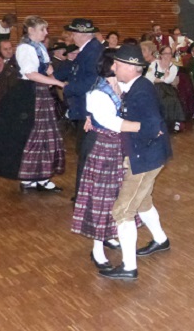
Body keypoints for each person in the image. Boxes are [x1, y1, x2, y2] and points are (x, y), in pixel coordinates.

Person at [98, 44, 173, 281]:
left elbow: (152, 127)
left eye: (117, 64)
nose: (113, 67)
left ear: (130, 67)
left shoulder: (140, 91)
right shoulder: (135, 86)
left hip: (145, 157)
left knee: (122, 210)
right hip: (147, 154)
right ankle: (161, 240)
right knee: (142, 201)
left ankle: (129, 267)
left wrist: (123, 127)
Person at [0, 15, 66, 192]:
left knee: (44, 137)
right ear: (31, 30)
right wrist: (58, 83)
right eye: (42, 29)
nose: (46, 33)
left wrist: (55, 78)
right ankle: (30, 178)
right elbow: (30, 73)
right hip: (29, 94)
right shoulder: (25, 48)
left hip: (40, 93)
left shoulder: (38, 46)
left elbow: (47, 69)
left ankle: (41, 177)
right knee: (31, 136)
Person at [72, 53, 140, 270]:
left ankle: (109, 234)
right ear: (112, 66)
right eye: (121, 63)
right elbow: (111, 122)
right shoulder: (98, 93)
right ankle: (97, 248)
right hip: (102, 147)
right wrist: (141, 126)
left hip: (117, 146)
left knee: (116, 194)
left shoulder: (120, 87)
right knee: (100, 197)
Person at [61, 18, 105, 201]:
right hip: (85, 107)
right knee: (85, 151)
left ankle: (85, 194)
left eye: (72, 33)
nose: (71, 37)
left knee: (88, 152)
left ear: (79, 35)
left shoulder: (93, 51)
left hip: (90, 109)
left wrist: (67, 87)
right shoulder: (88, 50)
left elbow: (92, 81)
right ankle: (84, 193)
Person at [146, 46, 185, 132]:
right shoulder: (154, 64)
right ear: (161, 55)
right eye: (165, 53)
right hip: (155, 88)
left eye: (170, 53)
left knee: (172, 100)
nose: (168, 56)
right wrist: (164, 77)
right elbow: (148, 77)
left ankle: (174, 122)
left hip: (168, 89)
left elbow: (169, 81)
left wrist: (159, 79)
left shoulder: (173, 67)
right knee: (163, 98)